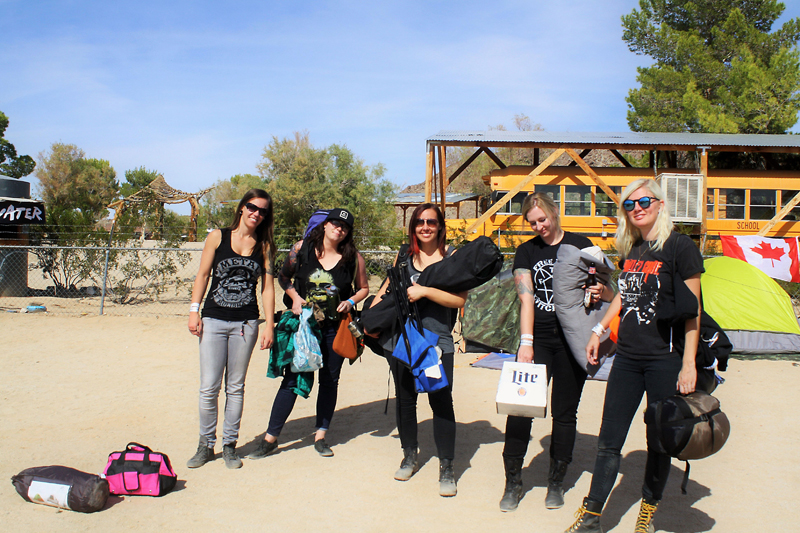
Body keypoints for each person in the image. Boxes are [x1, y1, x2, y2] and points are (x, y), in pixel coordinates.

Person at [565, 178, 703, 533]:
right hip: (627, 357)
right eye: (630, 204)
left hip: (664, 359)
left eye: (644, 201)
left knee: (657, 441)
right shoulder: (634, 249)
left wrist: (688, 364)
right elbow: (625, 296)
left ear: (659, 203)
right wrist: (599, 331)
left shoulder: (680, 247)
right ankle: (592, 515)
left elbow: (693, 310)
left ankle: (648, 510)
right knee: (609, 439)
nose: (637, 208)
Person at [499, 193, 614, 512]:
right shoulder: (527, 250)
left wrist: (598, 291)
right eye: (532, 222)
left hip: (572, 339)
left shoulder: (581, 243)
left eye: (543, 219)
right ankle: (513, 482)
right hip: (539, 338)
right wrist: (526, 341)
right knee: (521, 408)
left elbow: (607, 288)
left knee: (565, 413)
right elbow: (526, 299)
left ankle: (556, 482)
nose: (539, 226)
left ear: (554, 213)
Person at [248, 208, 369, 458]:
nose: (339, 228)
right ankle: (270, 438)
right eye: (335, 223)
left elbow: (364, 288)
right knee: (292, 379)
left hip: (335, 330)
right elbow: (283, 277)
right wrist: (294, 297)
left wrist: (351, 301)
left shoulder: (353, 258)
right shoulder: (301, 249)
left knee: (329, 381)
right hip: (305, 327)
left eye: (344, 226)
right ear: (325, 225)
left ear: (348, 232)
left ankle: (321, 436)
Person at [372, 203, 467, 497]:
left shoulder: (452, 258)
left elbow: (459, 300)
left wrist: (424, 291)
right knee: (405, 400)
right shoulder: (405, 256)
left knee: (441, 401)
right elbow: (385, 289)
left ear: (440, 226)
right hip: (402, 340)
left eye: (431, 222)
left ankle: (447, 467)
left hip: (437, 342)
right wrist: (370, 319)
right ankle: (409, 455)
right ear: (413, 227)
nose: (425, 226)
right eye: (419, 222)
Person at [186, 189, 276, 469]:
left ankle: (229, 445)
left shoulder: (264, 246)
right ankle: (205, 444)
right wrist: (194, 310)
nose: (256, 213)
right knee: (209, 387)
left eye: (262, 210)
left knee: (235, 387)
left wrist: (269, 325)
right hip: (213, 319)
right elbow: (203, 275)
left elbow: (268, 288)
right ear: (241, 208)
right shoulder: (217, 236)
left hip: (245, 323)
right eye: (252, 207)